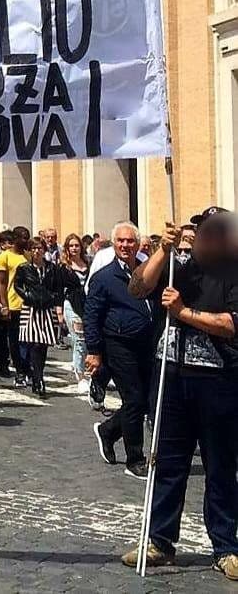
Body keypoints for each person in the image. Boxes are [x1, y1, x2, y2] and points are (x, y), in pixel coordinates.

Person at [119, 208, 238, 577]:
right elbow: (137, 287)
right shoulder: (178, 264)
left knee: (220, 465)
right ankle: (159, 541)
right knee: (167, 462)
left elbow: (231, 325)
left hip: (218, 378)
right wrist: (161, 250)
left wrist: (184, 312)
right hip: (170, 373)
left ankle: (226, 546)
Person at [84, 221, 153, 479]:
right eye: (121, 241)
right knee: (134, 399)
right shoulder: (104, 278)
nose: (125, 245)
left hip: (146, 344)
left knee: (146, 399)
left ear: (137, 244)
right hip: (118, 345)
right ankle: (135, 458)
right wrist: (94, 351)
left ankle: (109, 430)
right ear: (114, 244)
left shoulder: (148, 271)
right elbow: (92, 315)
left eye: (130, 241)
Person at [13, 237, 65, 398]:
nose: (37, 251)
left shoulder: (52, 268)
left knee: (42, 344)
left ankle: (38, 375)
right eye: (33, 248)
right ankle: (37, 377)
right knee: (33, 343)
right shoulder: (24, 268)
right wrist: (27, 296)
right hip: (31, 308)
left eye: (39, 248)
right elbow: (18, 285)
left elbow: (58, 287)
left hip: (47, 308)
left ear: (44, 250)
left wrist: (54, 301)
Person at [0, 227, 31, 386]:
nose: (26, 241)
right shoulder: (4, 257)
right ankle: (20, 370)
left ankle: (28, 368)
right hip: (13, 303)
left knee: (29, 340)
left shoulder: (28, 257)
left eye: (27, 237)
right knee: (15, 341)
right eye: (23, 238)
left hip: (29, 303)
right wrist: (4, 305)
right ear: (15, 239)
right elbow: (1, 282)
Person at [58, 233, 91, 392]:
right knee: (79, 340)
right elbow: (58, 289)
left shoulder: (88, 263)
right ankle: (80, 376)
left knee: (90, 340)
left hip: (88, 304)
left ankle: (88, 370)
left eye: (76, 245)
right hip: (71, 304)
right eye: (71, 246)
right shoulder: (64, 266)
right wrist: (58, 311)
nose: (74, 248)